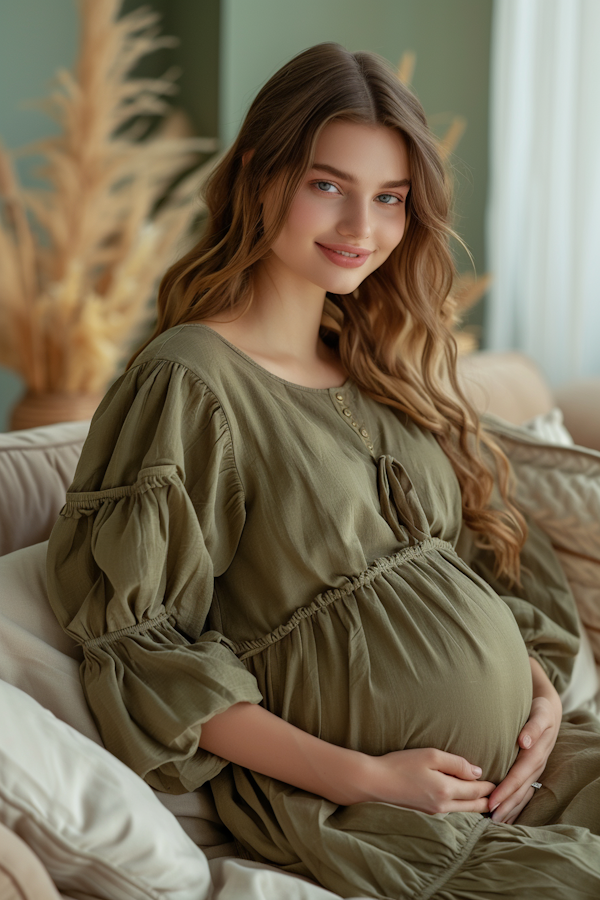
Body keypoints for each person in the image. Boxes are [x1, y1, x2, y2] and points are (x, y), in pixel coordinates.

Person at [46, 42, 600, 899]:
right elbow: (142, 647)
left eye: (390, 199)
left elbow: (475, 574)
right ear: (261, 176)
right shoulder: (191, 379)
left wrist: (538, 698)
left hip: (531, 774)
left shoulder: (381, 366)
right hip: (380, 813)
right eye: (327, 185)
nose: (361, 229)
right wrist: (365, 780)